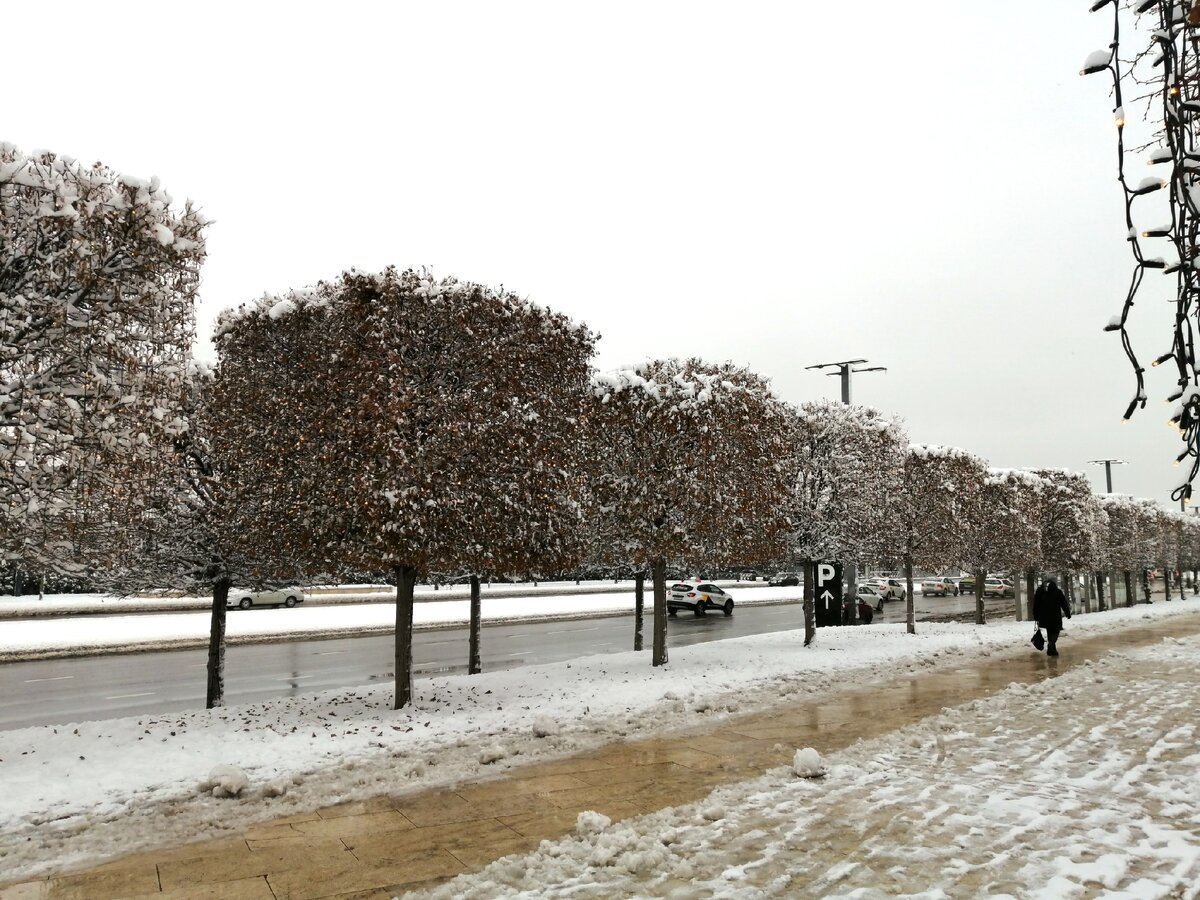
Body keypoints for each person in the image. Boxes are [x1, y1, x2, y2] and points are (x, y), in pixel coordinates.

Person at [1033, 577, 1071, 656]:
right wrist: (1067, 613)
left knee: (1050, 631)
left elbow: (1035, 605)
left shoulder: (1040, 592)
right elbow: (1063, 603)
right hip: (1055, 616)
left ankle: (1052, 649)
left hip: (1043, 617)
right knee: (1055, 631)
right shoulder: (1057, 592)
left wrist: (1036, 616)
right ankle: (1051, 645)